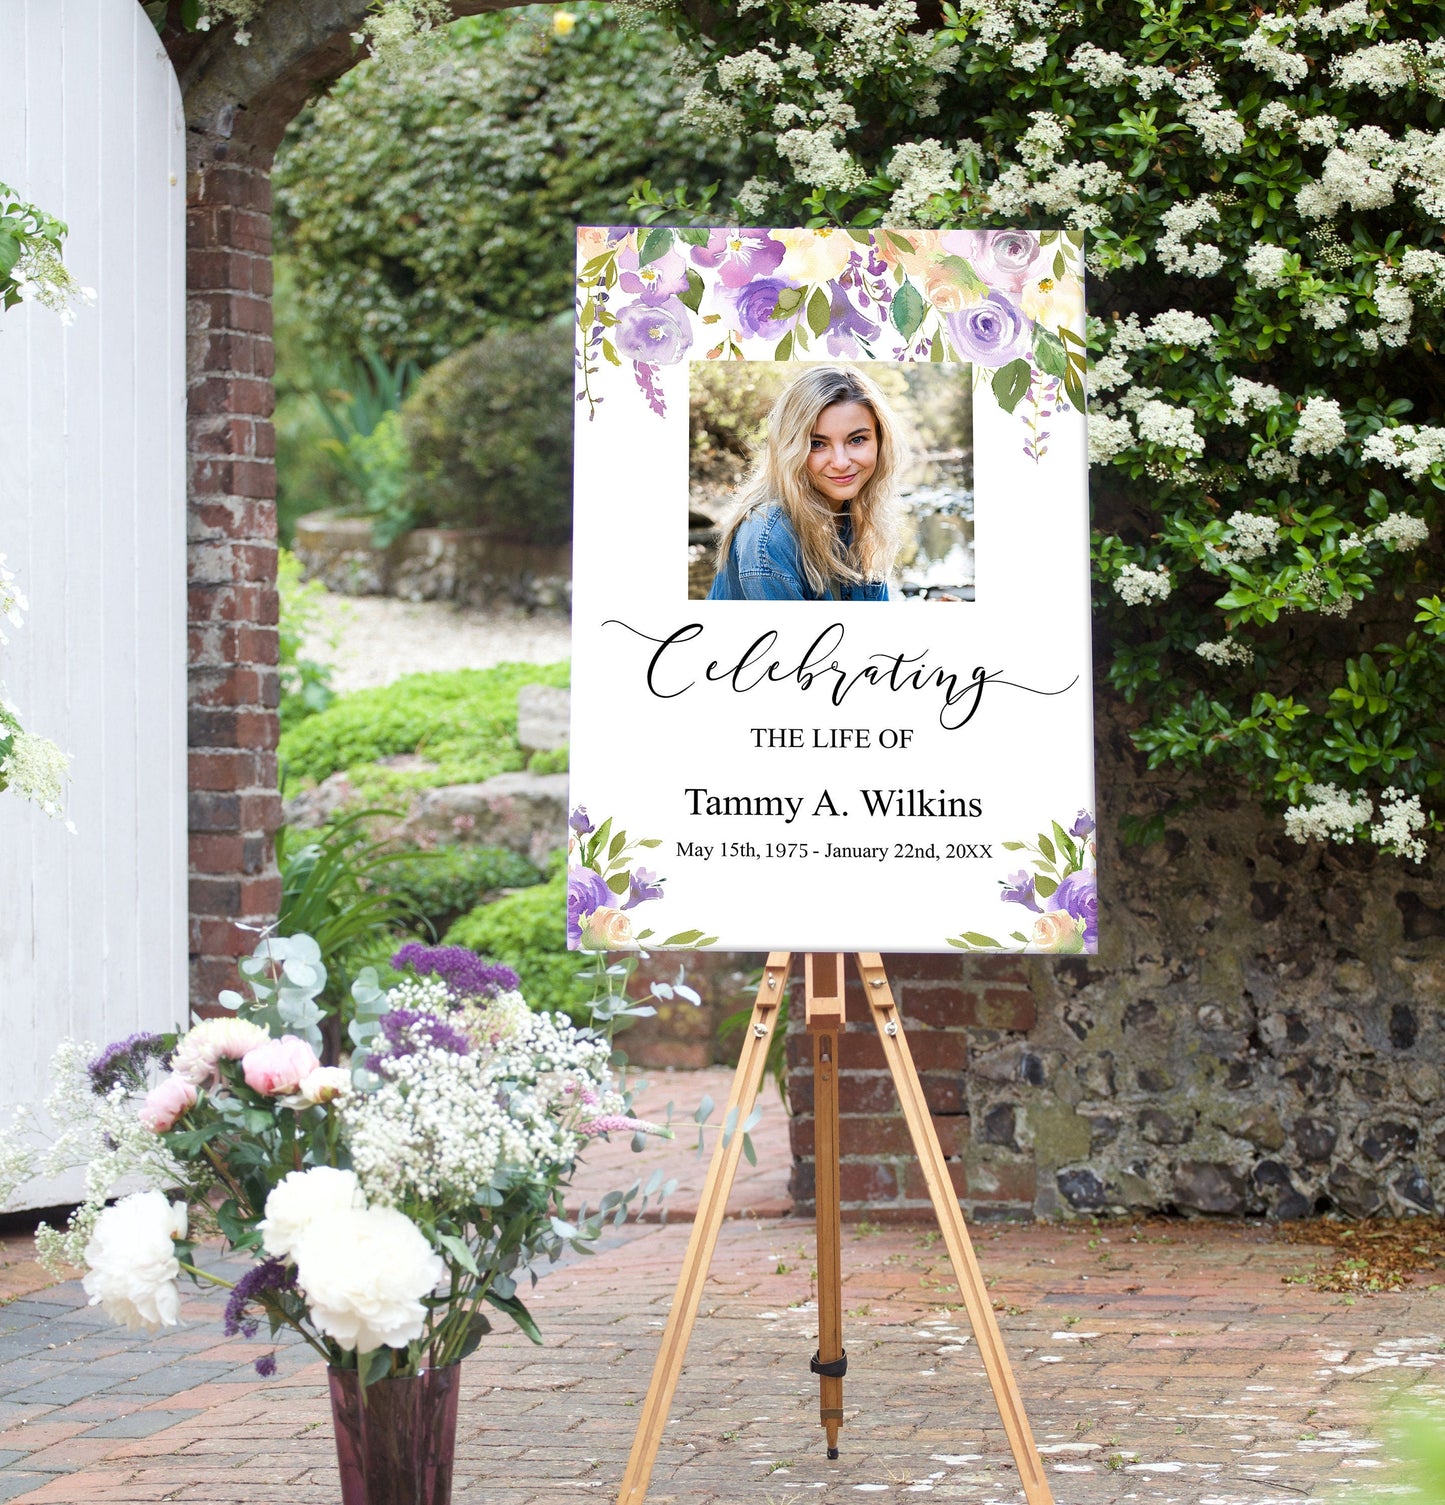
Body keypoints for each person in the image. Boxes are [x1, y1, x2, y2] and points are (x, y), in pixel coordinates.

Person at [707, 365, 903, 601]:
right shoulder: (769, 540)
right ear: (791, 448)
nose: (841, 462)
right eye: (818, 444)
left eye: (857, 439)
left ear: (880, 441)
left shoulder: (859, 513)